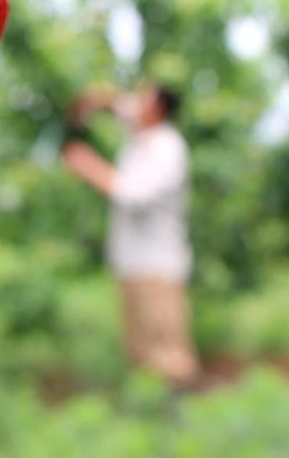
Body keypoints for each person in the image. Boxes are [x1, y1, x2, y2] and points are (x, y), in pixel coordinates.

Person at [62, 83, 200, 387]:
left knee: (167, 349)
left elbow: (134, 195)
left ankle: (179, 415)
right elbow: (118, 106)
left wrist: (86, 164)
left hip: (158, 266)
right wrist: (98, 99)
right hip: (133, 263)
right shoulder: (142, 138)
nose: (134, 104)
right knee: (139, 350)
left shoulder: (167, 147)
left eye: (142, 98)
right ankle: (151, 415)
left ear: (158, 109)